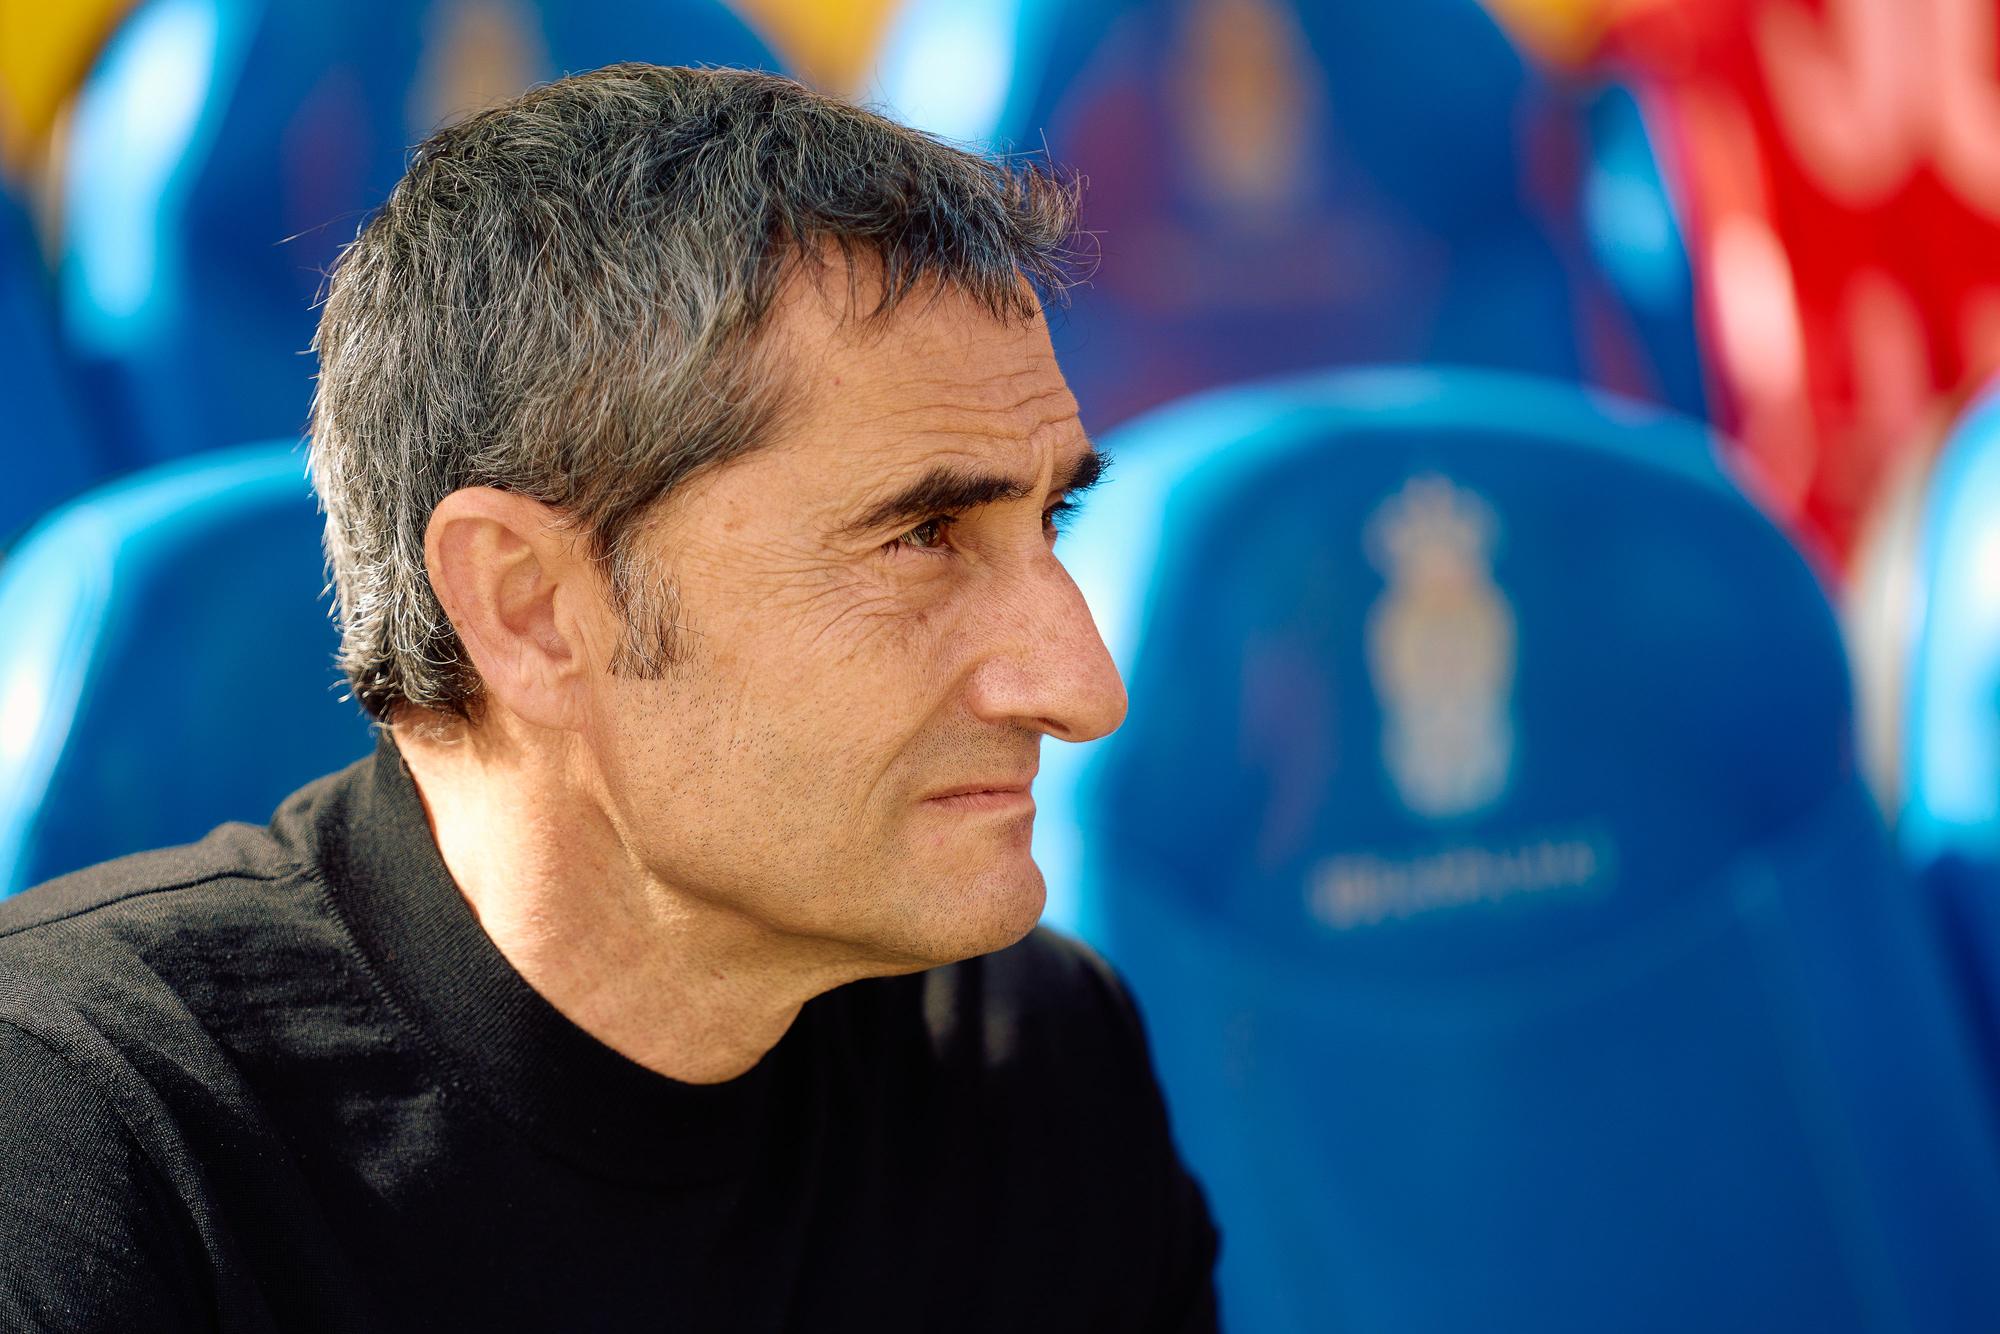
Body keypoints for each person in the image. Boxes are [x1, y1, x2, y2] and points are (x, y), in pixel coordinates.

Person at [0, 65, 1218, 1331]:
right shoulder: (79, 1138)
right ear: (525, 605)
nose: (1080, 687)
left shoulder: (1026, 1055)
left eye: (1051, 519)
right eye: (919, 534)